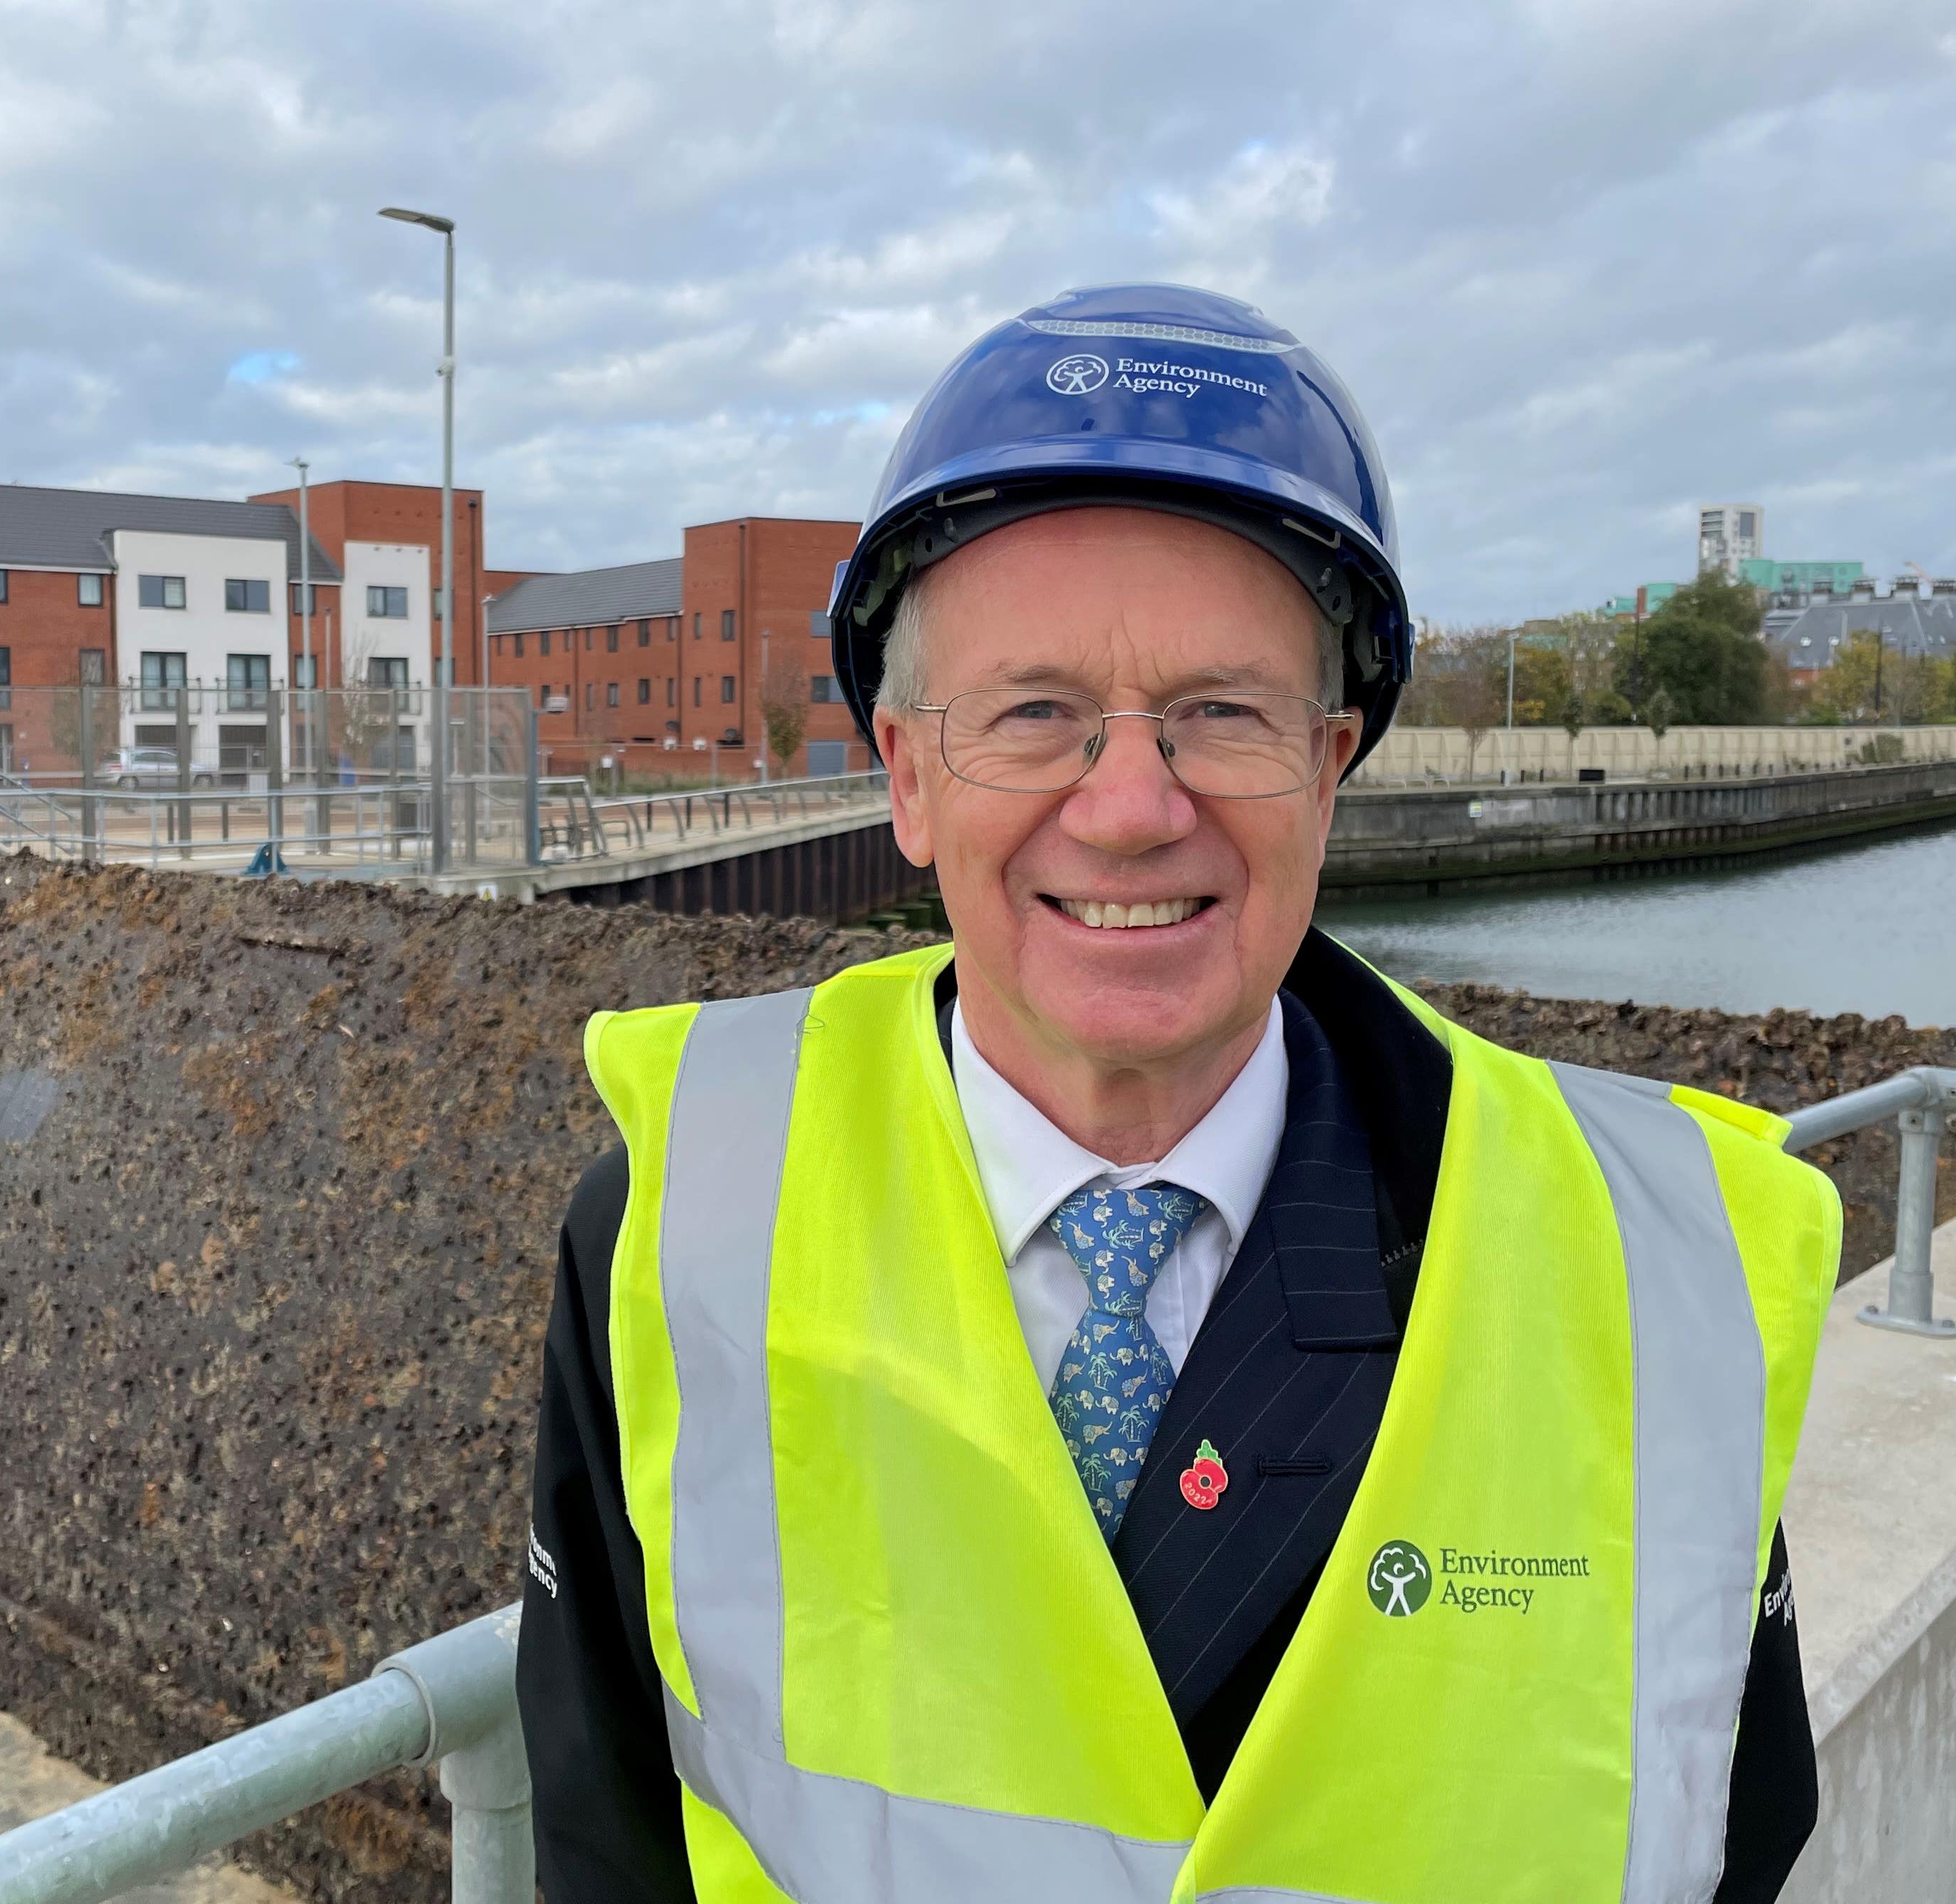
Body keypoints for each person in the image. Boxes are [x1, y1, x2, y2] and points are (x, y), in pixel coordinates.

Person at [518, 283, 1837, 1903]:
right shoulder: (673, 1235)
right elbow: (607, 1842)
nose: (1133, 807)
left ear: (1330, 764)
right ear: (909, 778)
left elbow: (1737, 1829)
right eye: (1035, 716)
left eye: (1222, 712)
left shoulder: (1649, 1277)